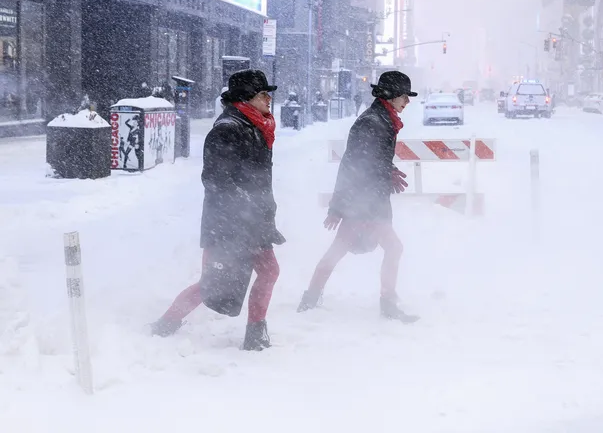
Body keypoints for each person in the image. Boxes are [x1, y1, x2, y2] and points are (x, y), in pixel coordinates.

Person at [151, 69, 285, 351]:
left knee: (269, 270)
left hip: (253, 221)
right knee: (211, 285)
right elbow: (215, 180)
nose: (268, 99)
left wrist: (263, 213)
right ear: (246, 97)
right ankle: (165, 324)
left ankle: (255, 333)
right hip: (229, 224)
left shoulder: (256, 126)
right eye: (263, 94)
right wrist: (248, 209)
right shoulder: (228, 128)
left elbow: (257, 178)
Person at [297, 70, 418, 323]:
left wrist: (389, 170)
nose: (407, 102)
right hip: (363, 202)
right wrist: (338, 208)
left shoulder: (382, 119)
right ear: (392, 95)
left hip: (368, 200)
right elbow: (354, 164)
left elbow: (372, 161)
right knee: (387, 248)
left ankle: (311, 298)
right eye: (404, 96)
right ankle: (386, 303)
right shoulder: (373, 122)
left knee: (345, 250)